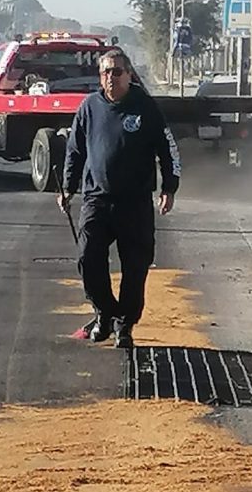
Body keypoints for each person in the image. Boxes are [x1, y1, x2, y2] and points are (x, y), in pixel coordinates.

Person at [60, 48, 180, 349]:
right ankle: (104, 314)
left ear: (128, 74)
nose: (110, 78)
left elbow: (167, 150)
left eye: (116, 72)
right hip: (96, 199)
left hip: (135, 203)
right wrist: (67, 187)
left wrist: (170, 187)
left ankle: (125, 326)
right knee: (88, 260)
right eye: (104, 72)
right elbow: (75, 150)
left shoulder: (145, 107)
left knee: (135, 267)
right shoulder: (90, 107)